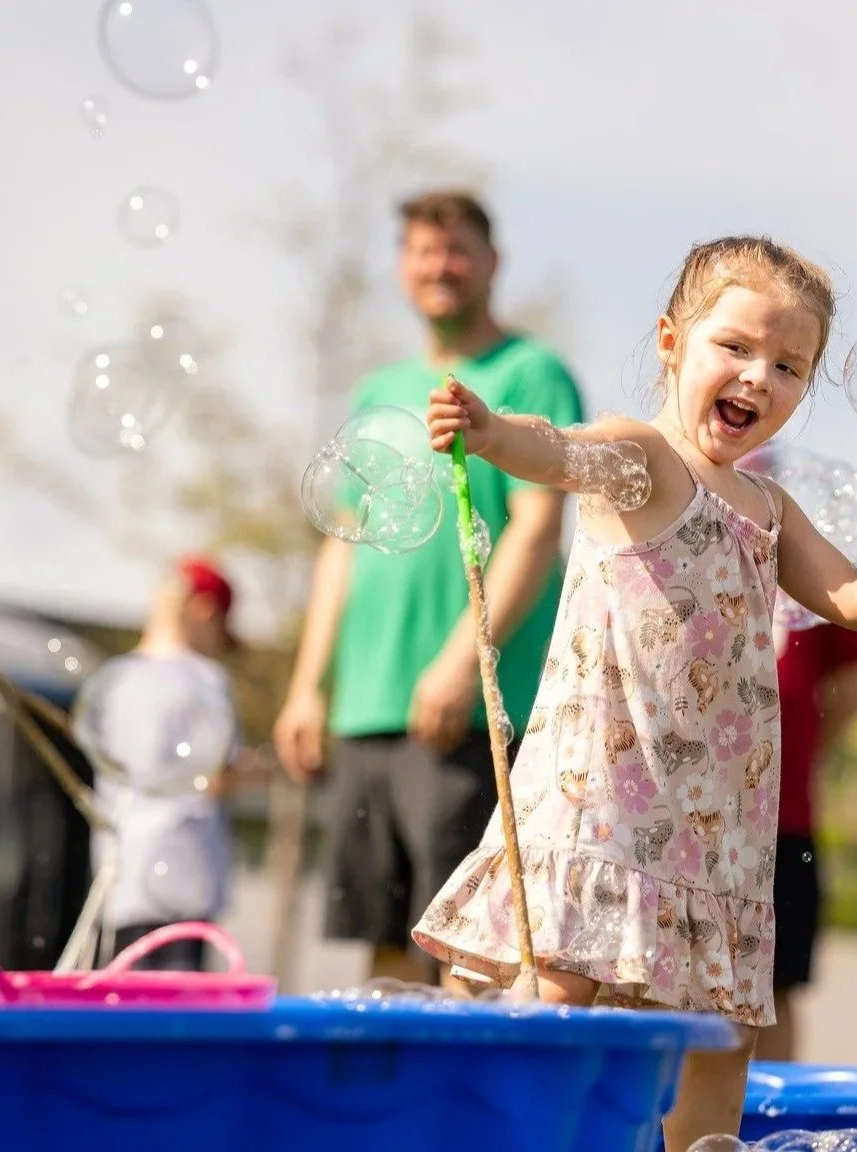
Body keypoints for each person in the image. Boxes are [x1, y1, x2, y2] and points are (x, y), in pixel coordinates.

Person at [411, 235, 857, 1150]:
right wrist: (490, 432)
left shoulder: (769, 511)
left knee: (716, 1066)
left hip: (718, 839)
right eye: (736, 348)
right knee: (549, 1029)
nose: (759, 377)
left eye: (789, 366)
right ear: (672, 340)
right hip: (600, 816)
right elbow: (555, 454)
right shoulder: (640, 457)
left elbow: (854, 602)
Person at [272, 190, 585, 987]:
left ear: (491, 262)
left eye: (455, 250)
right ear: (402, 267)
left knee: (467, 953)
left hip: (470, 708)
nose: (438, 267)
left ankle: (460, 1114)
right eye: (421, 250)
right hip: (365, 712)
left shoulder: (531, 373)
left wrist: (458, 664)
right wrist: (309, 687)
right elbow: (342, 549)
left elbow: (537, 527)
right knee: (381, 949)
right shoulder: (377, 387)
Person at [72, 557, 254, 972]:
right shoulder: (208, 681)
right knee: (176, 1017)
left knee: (123, 1010)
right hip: (185, 877)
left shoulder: (116, 680)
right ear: (205, 610)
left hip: (122, 878)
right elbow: (214, 777)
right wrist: (257, 769)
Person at [754, 618, 857, 1063]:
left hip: (785, 824)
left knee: (775, 987)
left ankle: (763, 1126)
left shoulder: (808, 568)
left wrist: (796, 752)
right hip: (702, 822)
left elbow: (856, 690)